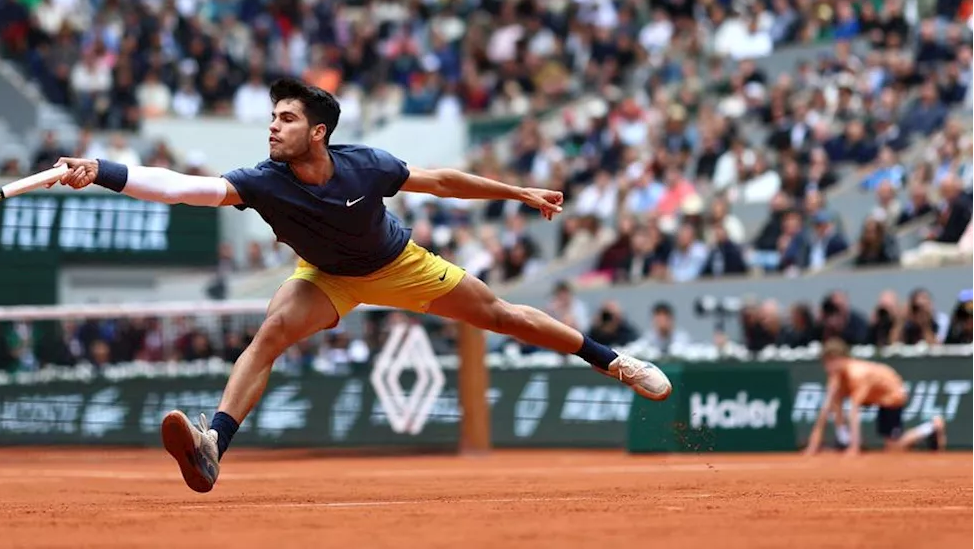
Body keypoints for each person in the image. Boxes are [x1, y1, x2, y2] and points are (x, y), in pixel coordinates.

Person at [51, 78, 671, 493]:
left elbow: (443, 182)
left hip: (398, 263)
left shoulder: (364, 165)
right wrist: (102, 170)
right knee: (270, 332)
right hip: (325, 279)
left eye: (286, 119)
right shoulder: (262, 180)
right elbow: (186, 188)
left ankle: (616, 362)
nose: (273, 127)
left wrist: (518, 192)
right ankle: (213, 445)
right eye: (272, 118)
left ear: (317, 132)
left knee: (501, 314)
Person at [804, 337, 945, 455]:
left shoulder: (857, 374)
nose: (827, 367)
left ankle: (932, 427)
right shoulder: (836, 377)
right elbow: (825, 409)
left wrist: (854, 447)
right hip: (875, 396)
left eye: (830, 361)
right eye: (825, 362)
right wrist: (813, 444)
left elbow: (854, 409)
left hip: (892, 394)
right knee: (836, 400)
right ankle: (843, 439)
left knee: (893, 448)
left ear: (841, 359)